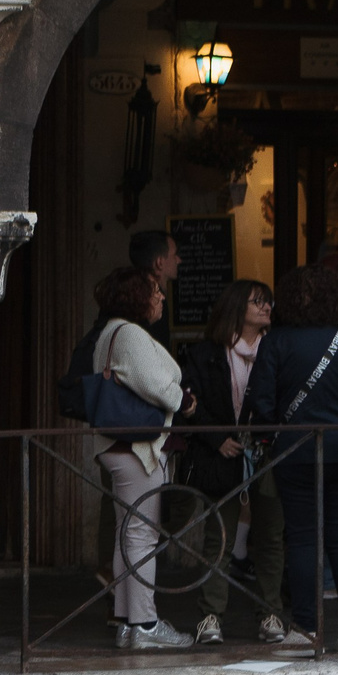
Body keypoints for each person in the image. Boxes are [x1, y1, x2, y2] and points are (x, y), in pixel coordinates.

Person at [251, 263, 338, 653]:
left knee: (302, 538)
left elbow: (261, 405)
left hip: (296, 450)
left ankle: (308, 629)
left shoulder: (276, 342)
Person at [85, 265, 192, 650]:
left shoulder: (110, 333)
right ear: (136, 297)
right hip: (135, 450)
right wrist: (186, 401)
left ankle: (129, 623)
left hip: (117, 448)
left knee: (127, 535)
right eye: (155, 291)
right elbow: (156, 385)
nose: (162, 297)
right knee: (142, 536)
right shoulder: (128, 333)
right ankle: (145, 624)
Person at [176, 280, 287, 645]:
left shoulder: (277, 348)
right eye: (257, 302)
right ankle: (210, 617)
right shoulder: (207, 353)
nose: (266, 307)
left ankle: (270, 614)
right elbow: (188, 402)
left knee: (270, 536)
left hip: (266, 453)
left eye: (268, 302)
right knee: (218, 539)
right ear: (237, 308)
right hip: (219, 455)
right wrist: (215, 438)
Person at [134, 228, 181, 348]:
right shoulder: (153, 301)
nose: (179, 260)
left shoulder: (134, 293)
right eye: (174, 255)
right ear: (159, 262)